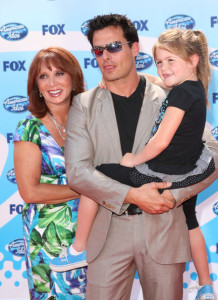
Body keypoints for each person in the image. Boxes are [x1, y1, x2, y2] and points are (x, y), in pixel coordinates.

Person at [50, 27, 217, 299]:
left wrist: (169, 196)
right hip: (106, 235)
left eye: (114, 46)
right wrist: (132, 195)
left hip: (164, 229)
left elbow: (211, 153)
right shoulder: (83, 104)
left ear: (135, 48)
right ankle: (79, 250)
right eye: (98, 50)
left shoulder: (173, 93)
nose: (106, 56)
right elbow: (78, 173)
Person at [13, 47, 87, 299]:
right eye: (44, 76)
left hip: (93, 236)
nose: (52, 83)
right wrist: (91, 189)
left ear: (74, 78)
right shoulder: (29, 128)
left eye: (59, 73)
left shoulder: (90, 121)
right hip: (48, 241)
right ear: (36, 85)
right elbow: (30, 191)